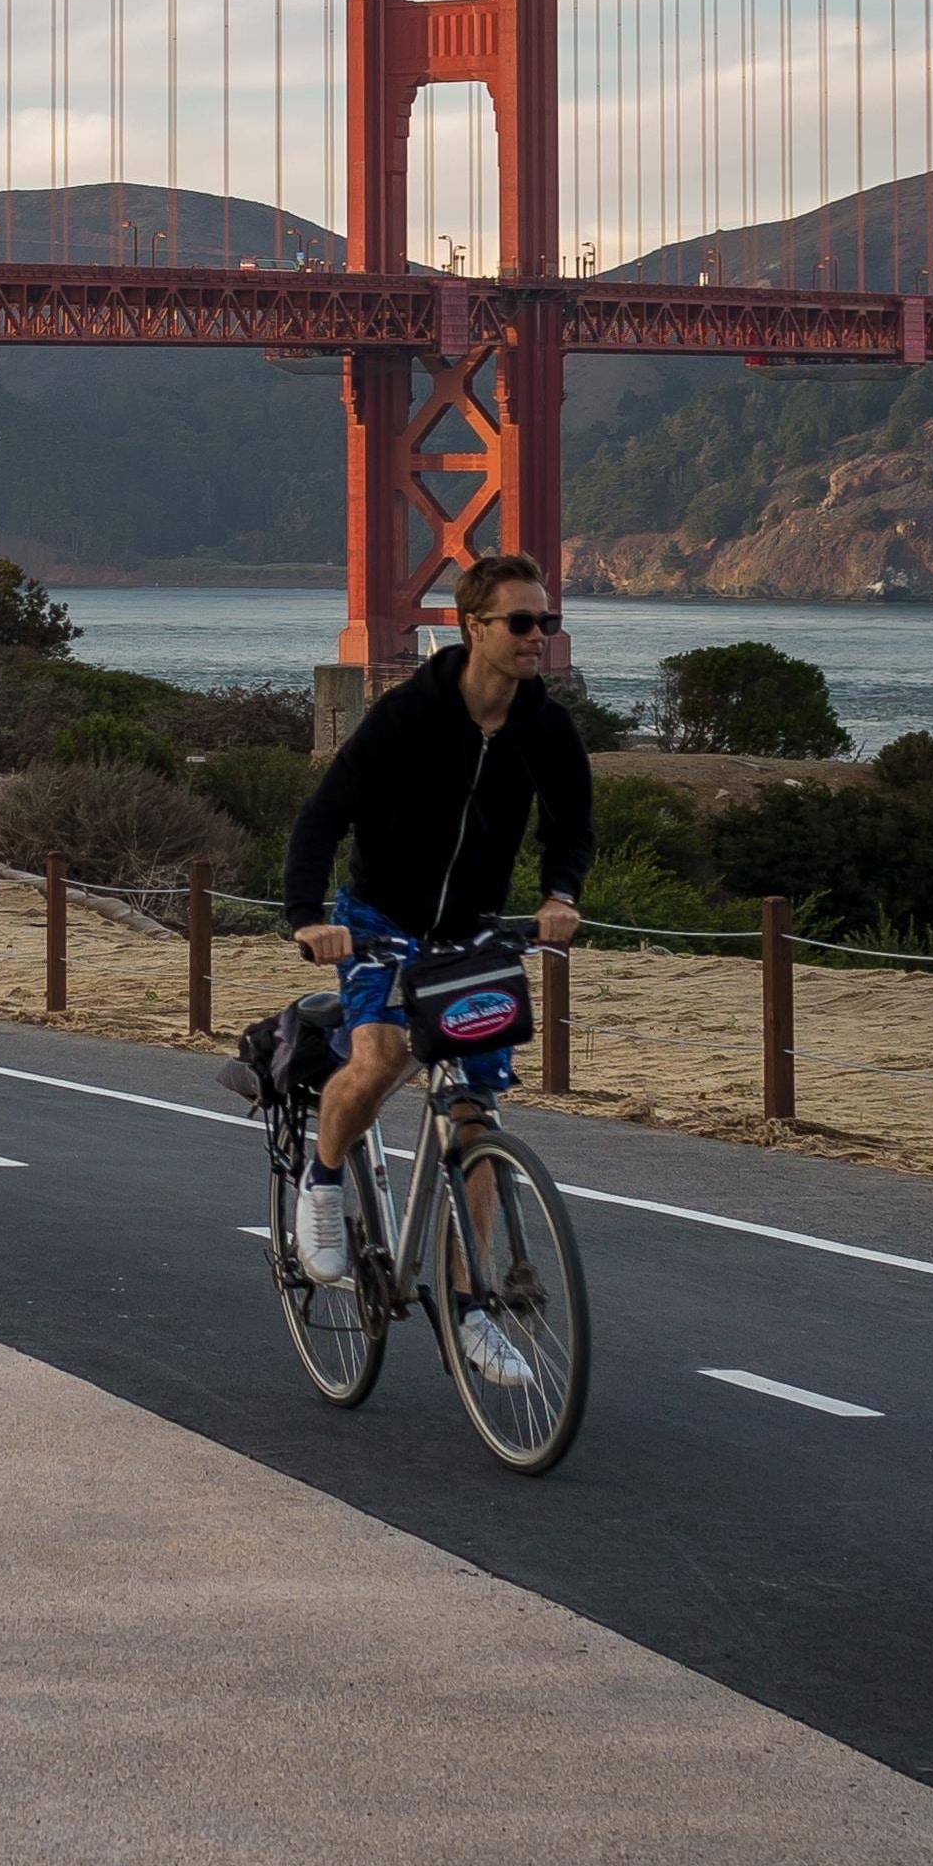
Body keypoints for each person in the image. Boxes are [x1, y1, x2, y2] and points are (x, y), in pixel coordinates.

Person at [276, 552, 591, 1388]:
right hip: (378, 921)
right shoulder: (408, 715)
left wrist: (562, 892)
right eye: (522, 623)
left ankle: (475, 1310)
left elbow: (573, 827)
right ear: (471, 625)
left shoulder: (546, 729)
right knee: (376, 1060)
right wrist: (309, 917)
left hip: (471, 935)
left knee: (475, 1120)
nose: (538, 639)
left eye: (547, 623)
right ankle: (324, 1174)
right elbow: (324, 814)